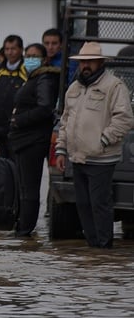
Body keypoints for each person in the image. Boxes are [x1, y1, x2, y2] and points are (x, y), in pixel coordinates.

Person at [55, 42, 134, 248]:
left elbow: (124, 119)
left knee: (100, 204)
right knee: (83, 204)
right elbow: (65, 121)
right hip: (77, 157)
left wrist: (103, 140)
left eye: (89, 61)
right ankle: (93, 249)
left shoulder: (114, 86)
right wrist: (61, 150)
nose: (86, 65)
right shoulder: (74, 88)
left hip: (102, 158)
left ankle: (104, 247)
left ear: (100, 62)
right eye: (83, 62)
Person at [8, 43, 60, 237]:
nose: (30, 59)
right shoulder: (34, 77)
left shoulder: (44, 78)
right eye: (27, 55)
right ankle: (23, 225)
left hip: (33, 140)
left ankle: (25, 229)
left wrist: (19, 120)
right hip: (24, 140)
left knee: (29, 188)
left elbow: (45, 107)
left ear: (44, 59)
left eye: (34, 56)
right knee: (23, 187)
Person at [0, 34, 27, 160]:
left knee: (17, 167)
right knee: (0, 167)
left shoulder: (26, 72)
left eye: (13, 48)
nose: (10, 52)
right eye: (7, 49)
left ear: (21, 50)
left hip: (17, 129)